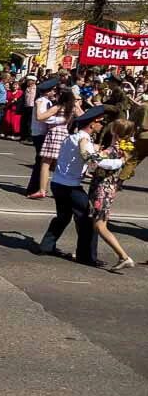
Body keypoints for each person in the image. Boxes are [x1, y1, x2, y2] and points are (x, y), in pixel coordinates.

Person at [38, 106, 123, 267]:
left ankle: (46, 246)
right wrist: (119, 162)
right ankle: (87, 256)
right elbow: (97, 162)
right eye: (100, 123)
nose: (101, 126)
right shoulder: (84, 140)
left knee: (63, 217)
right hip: (71, 186)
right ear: (92, 124)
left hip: (58, 183)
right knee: (87, 219)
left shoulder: (72, 137)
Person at [87, 119, 136, 270]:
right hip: (106, 188)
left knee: (100, 225)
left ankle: (123, 256)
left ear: (115, 131)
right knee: (96, 223)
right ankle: (86, 252)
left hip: (102, 188)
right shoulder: (121, 147)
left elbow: (99, 163)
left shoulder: (115, 150)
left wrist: (93, 156)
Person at [28, 89, 80, 199]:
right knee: (60, 164)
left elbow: (40, 117)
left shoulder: (58, 107)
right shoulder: (72, 109)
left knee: (46, 163)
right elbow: (83, 115)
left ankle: (42, 190)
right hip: (65, 134)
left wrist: (38, 106)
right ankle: (62, 189)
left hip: (55, 133)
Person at [25, 79, 57, 197]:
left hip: (39, 132)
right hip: (40, 133)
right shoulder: (43, 101)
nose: (54, 93)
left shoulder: (44, 101)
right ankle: (34, 188)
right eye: (53, 90)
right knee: (41, 162)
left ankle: (37, 187)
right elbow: (43, 117)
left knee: (41, 161)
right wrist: (59, 120)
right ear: (47, 92)